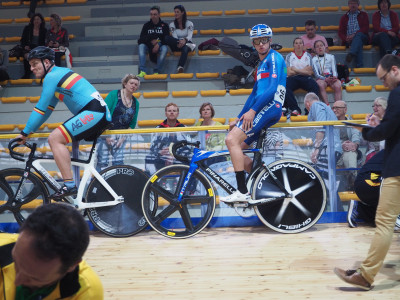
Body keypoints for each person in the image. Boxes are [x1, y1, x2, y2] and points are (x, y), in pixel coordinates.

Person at [334, 54, 400, 290]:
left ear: (395, 70)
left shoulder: (398, 93)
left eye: (384, 78)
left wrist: (367, 131)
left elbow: (389, 128)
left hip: (397, 168)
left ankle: (366, 275)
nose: (384, 84)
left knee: (384, 222)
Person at [15, 46, 111, 199]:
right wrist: (29, 131)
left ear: (46, 62)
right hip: (95, 111)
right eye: (30, 65)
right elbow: (46, 111)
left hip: (94, 111)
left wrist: (25, 132)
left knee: (55, 139)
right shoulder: (56, 77)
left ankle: (70, 185)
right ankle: (74, 188)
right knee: (57, 138)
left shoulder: (52, 77)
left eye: (35, 64)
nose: (31, 68)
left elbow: (40, 108)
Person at [220, 24, 287, 204]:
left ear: (270, 40)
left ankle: (242, 191)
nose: (261, 44)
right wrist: (240, 116)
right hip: (261, 108)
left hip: (270, 107)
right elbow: (254, 93)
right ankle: (261, 180)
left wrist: (253, 111)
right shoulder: (261, 64)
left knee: (230, 140)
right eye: (257, 41)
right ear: (253, 43)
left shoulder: (274, 58)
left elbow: (272, 89)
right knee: (237, 149)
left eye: (264, 40)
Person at [0, 203, 104, 299]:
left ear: (72, 266)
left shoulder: (87, 292)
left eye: (35, 278)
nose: (17, 280)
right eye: (16, 263)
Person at [96, 74, 140, 171]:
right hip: (105, 133)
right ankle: (97, 185)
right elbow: (103, 113)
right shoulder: (113, 94)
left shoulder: (136, 102)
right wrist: (107, 136)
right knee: (102, 162)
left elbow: (132, 124)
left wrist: (123, 138)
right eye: (131, 83)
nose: (133, 86)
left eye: (136, 85)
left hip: (121, 136)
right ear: (125, 83)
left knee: (118, 163)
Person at [349, 149, 400, 229]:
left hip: (367, 184)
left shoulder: (393, 147)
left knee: (381, 220)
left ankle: (359, 208)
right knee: (394, 183)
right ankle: (396, 217)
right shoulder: (396, 149)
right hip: (369, 181)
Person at [145, 103, 188, 173]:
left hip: (179, 157)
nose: (171, 112)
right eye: (169, 111)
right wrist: (160, 153)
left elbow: (187, 146)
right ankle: (153, 182)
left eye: (174, 111)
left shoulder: (184, 128)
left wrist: (175, 154)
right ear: (165, 113)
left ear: (177, 114)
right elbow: (152, 147)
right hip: (162, 157)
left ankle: (188, 182)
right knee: (149, 157)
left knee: (191, 157)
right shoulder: (158, 128)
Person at [305, 92, 342, 171]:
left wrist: (316, 148)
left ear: (307, 104)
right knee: (325, 177)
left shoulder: (316, 105)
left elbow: (321, 127)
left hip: (328, 148)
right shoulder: (325, 108)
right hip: (331, 147)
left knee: (324, 178)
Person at [284, 37, 320, 115]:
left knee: (315, 86)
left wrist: (295, 69)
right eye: (296, 43)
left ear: (303, 45)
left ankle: (309, 109)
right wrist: (304, 70)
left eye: (300, 43)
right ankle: (295, 109)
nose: (298, 45)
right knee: (285, 86)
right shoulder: (289, 56)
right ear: (293, 45)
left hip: (306, 78)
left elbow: (310, 72)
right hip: (292, 78)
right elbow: (288, 73)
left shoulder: (308, 56)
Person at [334, 100, 362, 190]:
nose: (334, 110)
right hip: (335, 152)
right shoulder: (329, 122)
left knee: (351, 153)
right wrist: (341, 144)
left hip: (347, 150)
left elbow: (355, 135)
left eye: (337, 108)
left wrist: (355, 144)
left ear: (345, 110)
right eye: (333, 108)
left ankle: (353, 181)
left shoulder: (351, 122)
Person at [137, 6, 170, 77]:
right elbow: (140, 39)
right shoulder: (146, 25)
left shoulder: (165, 25)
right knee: (141, 46)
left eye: (155, 14)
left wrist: (158, 43)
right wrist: (151, 42)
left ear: (159, 15)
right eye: (151, 14)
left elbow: (166, 39)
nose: (153, 16)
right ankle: (143, 71)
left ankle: (157, 71)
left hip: (160, 45)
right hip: (148, 45)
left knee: (165, 49)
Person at [339, 0, 370, 68]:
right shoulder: (344, 17)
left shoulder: (364, 15)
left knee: (358, 36)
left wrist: (354, 35)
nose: (353, 5)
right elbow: (340, 32)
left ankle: (351, 53)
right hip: (349, 40)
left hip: (362, 37)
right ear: (348, 5)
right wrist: (346, 38)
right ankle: (359, 66)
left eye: (355, 3)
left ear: (358, 5)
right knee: (359, 43)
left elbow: (365, 28)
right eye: (351, 3)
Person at [165, 5, 195, 73]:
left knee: (185, 48)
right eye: (175, 12)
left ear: (182, 12)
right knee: (166, 38)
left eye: (177, 12)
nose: (175, 13)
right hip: (177, 44)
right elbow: (174, 36)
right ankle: (180, 43)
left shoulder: (190, 23)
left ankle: (180, 67)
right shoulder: (172, 24)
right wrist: (178, 42)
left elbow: (190, 35)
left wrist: (184, 40)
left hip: (187, 43)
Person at [312, 40, 343, 105]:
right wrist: (325, 79)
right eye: (317, 46)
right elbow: (316, 74)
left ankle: (338, 106)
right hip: (321, 78)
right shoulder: (313, 59)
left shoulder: (331, 57)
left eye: (321, 45)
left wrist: (335, 77)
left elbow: (334, 69)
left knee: (338, 84)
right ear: (315, 49)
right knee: (320, 84)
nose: (320, 48)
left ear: (325, 47)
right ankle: (327, 105)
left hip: (331, 77)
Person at [20, 13, 47, 79]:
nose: (36, 21)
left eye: (38, 19)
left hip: (39, 49)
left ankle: (41, 74)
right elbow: (22, 40)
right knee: (27, 55)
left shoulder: (44, 30)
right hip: (29, 48)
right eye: (35, 19)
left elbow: (44, 43)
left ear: (41, 21)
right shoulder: (27, 29)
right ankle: (27, 74)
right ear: (32, 21)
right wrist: (25, 46)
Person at [364, 96, 387, 162]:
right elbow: (364, 140)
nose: (374, 108)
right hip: (374, 153)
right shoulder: (370, 120)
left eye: (377, 106)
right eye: (373, 106)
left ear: (384, 107)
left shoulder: (390, 120)